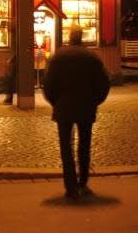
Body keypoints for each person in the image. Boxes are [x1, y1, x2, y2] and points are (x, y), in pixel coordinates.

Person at [43, 27, 110, 200]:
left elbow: (48, 85)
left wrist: (56, 102)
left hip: (63, 106)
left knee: (66, 147)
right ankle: (83, 182)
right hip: (86, 106)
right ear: (82, 38)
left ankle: (70, 186)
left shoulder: (58, 57)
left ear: (69, 38)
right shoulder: (92, 58)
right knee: (84, 145)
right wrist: (95, 101)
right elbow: (103, 84)